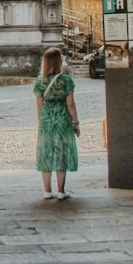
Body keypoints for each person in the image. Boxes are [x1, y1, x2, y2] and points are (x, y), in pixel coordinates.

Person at [34, 47, 80, 200]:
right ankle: (61, 191)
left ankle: (47, 191)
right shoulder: (66, 80)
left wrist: (41, 122)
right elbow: (71, 104)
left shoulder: (40, 81)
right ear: (59, 62)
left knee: (46, 153)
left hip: (47, 120)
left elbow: (39, 105)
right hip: (62, 120)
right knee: (61, 153)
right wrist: (76, 122)